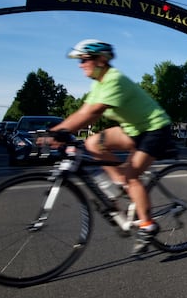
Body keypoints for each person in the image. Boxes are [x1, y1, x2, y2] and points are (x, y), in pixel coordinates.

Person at [44, 39, 172, 246]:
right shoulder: (98, 84)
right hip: (133, 130)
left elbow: (93, 113)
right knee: (93, 143)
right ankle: (120, 186)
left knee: (132, 177)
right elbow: (82, 111)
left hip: (155, 129)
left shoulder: (114, 79)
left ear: (101, 60)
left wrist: (57, 132)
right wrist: (56, 132)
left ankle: (147, 224)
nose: (80, 64)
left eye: (84, 59)